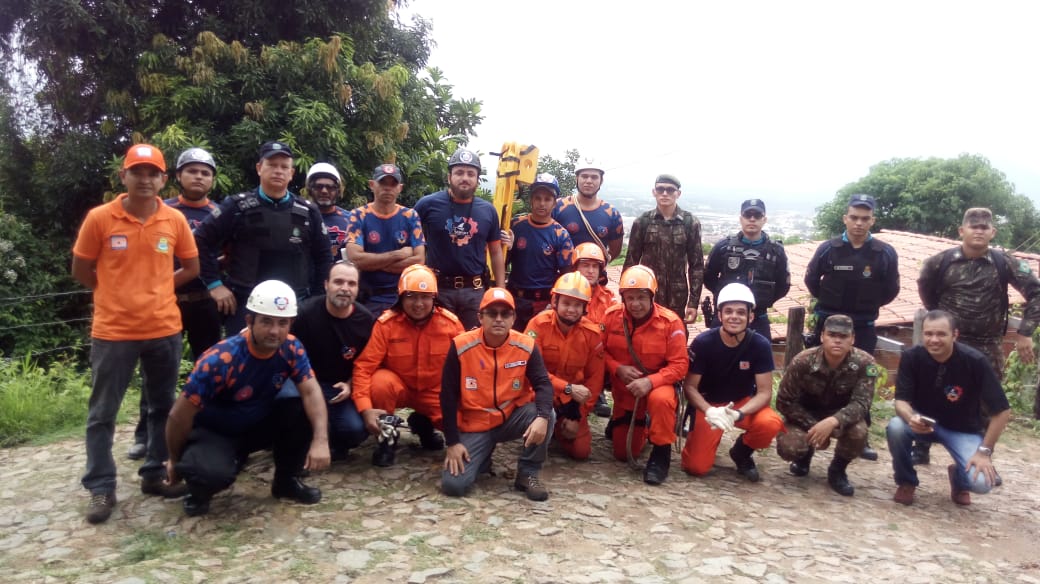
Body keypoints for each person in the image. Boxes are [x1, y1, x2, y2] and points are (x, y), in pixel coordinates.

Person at [71, 143, 199, 523]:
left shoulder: (174, 220)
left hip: (163, 328)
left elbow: (191, 267)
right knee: (102, 412)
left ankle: (154, 474)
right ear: (123, 176)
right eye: (137, 172)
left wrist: (159, 288)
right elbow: (81, 269)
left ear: (163, 179)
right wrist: (111, 292)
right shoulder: (100, 218)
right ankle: (100, 486)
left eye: (152, 173)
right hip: (113, 332)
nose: (145, 179)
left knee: (162, 407)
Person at [164, 280, 331, 517]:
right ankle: (198, 489)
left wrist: (321, 440)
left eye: (283, 323)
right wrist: (173, 458)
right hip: (215, 430)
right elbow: (177, 416)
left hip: (255, 424)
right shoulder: (219, 360)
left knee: (300, 408)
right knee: (210, 474)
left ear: (291, 324)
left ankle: (286, 481)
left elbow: (311, 391)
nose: (275, 331)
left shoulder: (292, 348)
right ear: (249, 321)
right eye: (266, 321)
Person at [128, 146, 220, 460]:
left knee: (207, 367)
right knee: (155, 370)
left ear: (212, 180)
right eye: (192, 171)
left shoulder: (219, 214)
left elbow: (231, 253)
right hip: (164, 301)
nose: (198, 177)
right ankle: (145, 435)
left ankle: (200, 428)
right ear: (178, 176)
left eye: (205, 172)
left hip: (205, 300)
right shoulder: (159, 209)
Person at [194, 140, 333, 335]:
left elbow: (324, 257)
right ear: (259, 168)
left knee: (293, 361)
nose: (278, 171)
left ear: (291, 173)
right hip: (245, 303)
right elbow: (200, 240)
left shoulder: (308, 212)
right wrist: (214, 285)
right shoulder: (236, 207)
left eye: (284, 167)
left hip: (295, 304)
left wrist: (317, 300)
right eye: (272, 165)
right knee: (244, 362)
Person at [804, 193, 899, 461]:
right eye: (854, 217)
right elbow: (812, 280)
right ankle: (809, 434)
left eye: (865, 219)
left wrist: (866, 307)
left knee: (863, 378)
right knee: (815, 377)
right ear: (845, 218)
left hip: (863, 324)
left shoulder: (884, 253)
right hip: (828, 321)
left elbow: (891, 289)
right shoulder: (828, 249)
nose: (859, 223)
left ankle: (861, 438)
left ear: (873, 221)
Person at [440, 288, 556, 500]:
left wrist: (542, 417)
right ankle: (482, 456)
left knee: (546, 414)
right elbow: (447, 396)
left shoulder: (526, 345)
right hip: (475, 425)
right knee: (453, 486)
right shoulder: (461, 345)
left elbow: (543, 384)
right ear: (480, 317)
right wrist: (453, 442)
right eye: (492, 313)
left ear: (513, 318)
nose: (499, 319)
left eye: (506, 314)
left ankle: (528, 472)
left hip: (511, 418)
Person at [886, 310, 1010, 506]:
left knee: (981, 484)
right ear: (922, 334)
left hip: (962, 429)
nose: (934, 340)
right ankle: (906, 481)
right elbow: (901, 401)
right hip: (923, 424)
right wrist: (911, 419)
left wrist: (984, 452)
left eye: (941, 334)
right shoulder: (912, 357)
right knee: (896, 427)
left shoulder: (975, 361)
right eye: (928, 334)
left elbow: (1002, 411)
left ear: (955, 335)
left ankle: (959, 478)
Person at [918, 208, 1040, 403]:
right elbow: (926, 290)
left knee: (987, 404)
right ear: (961, 230)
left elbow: (1036, 293)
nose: (979, 231)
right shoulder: (939, 262)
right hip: (949, 343)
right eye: (973, 226)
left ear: (993, 232)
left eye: (984, 227)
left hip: (988, 346)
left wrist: (1025, 332)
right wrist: (939, 321)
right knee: (940, 398)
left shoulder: (1005, 263)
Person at [352, 265, 465, 467]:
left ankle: (423, 424)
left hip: (435, 393)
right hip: (399, 387)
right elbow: (364, 367)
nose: (418, 304)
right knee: (379, 383)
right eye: (411, 296)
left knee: (462, 423)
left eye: (425, 297)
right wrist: (365, 408)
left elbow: (466, 367)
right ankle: (387, 439)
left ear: (434, 298)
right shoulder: (386, 325)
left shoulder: (451, 325)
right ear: (401, 297)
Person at [682, 283, 784, 482]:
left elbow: (764, 392)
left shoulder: (760, 345)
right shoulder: (704, 343)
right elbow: (690, 387)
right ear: (719, 316)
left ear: (750, 317)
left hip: (741, 403)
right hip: (708, 405)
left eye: (740, 312)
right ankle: (705, 440)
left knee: (770, 423)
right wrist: (709, 411)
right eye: (728, 311)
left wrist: (739, 413)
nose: (734, 317)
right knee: (696, 467)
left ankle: (742, 452)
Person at [602, 265, 688, 485]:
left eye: (641, 297)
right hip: (626, 391)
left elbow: (679, 365)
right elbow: (598, 350)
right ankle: (641, 423)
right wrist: (616, 368)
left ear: (652, 296)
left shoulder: (670, 323)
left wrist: (651, 382)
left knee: (661, 400)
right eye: (630, 298)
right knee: (622, 453)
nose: (635, 304)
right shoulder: (612, 317)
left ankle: (661, 454)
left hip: (658, 386)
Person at [776, 315, 877, 496]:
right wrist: (815, 427)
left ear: (852, 339)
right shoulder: (803, 361)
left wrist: (833, 422)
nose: (837, 340)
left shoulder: (865, 363)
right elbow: (784, 401)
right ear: (822, 336)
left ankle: (838, 470)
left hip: (840, 417)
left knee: (859, 433)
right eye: (832, 335)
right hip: (805, 414)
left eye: (844, 336)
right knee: (789, 447)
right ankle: (803, 458)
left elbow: (862, 404)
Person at [289, 261, 374, 460]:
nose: (345, 288)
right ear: (326, 284)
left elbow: (369, 364)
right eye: (338, 282)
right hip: (303, 384)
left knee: (355, 431)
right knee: (288, 408)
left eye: (351, 284)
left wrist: (351, 385)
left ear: (357, 288)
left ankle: (331, 443)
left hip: (340, 389)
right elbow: (286, 356)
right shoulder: (304, 314)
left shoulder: (366, 321)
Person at [414, 148, 504, 329]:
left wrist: (500, 290)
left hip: (475, 291)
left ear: (478, 180)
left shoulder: (488, 211)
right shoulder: (427, 205)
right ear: (449, 177)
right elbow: (412, 242)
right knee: (439, 343)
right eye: (459, 172)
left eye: (471, 173)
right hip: (438, 289)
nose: (465, 178)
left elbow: (495, 252)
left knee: (473, 345)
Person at [524, 273, 606, 460]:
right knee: (533, 442)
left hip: (572, 402)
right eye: (567, 303)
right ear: (555, 301)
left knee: (580, 452)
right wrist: (566, 388)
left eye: (577, 305)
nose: (571, 310)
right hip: (539, 394)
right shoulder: (538, 325)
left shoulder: (591, 334)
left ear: (585, 307)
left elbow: (595, 379)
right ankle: (542, 425)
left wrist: (579, 415)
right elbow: (531, 371)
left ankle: (558, 427)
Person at [703, 198, 790, 341]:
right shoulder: (724, 247)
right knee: (716, 357)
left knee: (760, 357)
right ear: (741, 218)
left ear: (764, 219)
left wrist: (763, 300)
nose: (752, 219)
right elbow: (708, 278)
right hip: (726, 315)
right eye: (748, 215)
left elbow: (783, 285)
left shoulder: (776, 251)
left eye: (757, 215)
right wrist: (727, 296)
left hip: (758, 316)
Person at [345, 163, 426, 314]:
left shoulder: (410, 216)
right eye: (382, 182)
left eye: (393, 183)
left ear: (400, 188)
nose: (387, 188)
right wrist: (398, 255)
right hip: (367, 299)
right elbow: (355, 259)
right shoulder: (358, 216)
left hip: (403, 298)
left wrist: (372, 262)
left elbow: (419, 260)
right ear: (372, 185)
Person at [624, 174, 703, 324]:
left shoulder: (690, 223)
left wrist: (693, 303)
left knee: (677, 335)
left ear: (678, 194)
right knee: (645, 335)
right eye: (660, 189)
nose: (665, 193)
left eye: (670, 190)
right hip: (647, 293)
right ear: (654, 192)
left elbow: (697, 266)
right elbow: (631, 262)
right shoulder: (642, 222)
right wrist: (626, 296)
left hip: (677, 295)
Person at [505, 173, 575, 330]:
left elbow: (566, 275)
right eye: (537, 198)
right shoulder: (516, 225)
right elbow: (500, 263)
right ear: (531, 200)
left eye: (547, 199)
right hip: (515, 299)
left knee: (537, 347)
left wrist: (556, 303)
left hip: (544, 303)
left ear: (554, 203)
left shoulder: (560, 234)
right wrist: (507, 248)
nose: (541, 203)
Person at [573, 241, 618, 418]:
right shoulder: (564, 295)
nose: (591, 271)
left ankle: (601, 395)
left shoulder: (609, 299)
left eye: (595, 266)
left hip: (600, 358)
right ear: (576, 267)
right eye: (585, 266)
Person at [552, 158, 625, 262]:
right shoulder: (558, 207)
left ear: (601, 180)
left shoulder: (612, 213)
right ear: (576, 178)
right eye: (584, 176)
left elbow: (615, 251)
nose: (589, 181)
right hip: (564, 276)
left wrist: (597, 267)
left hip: (596, 277)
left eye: (594, 177)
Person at [306, 162, 351, 262]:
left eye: (330, 187)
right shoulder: (300, 217)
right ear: (310, 190)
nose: (324, 191)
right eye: (319, 186)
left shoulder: (351, 220)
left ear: (338, 191)